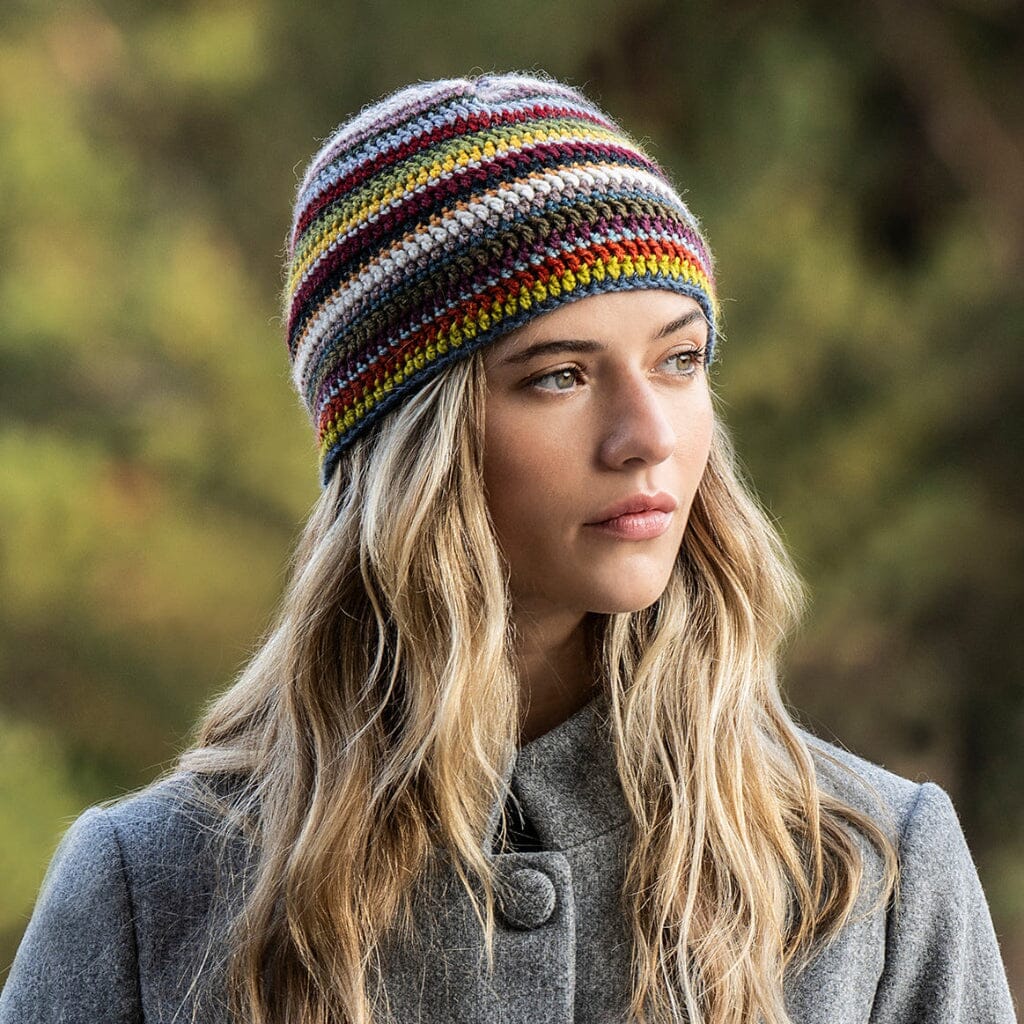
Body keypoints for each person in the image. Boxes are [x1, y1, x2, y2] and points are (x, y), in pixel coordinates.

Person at [0, 71, 1016, 1024]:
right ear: (411, 446)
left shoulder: (867, 866)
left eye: (678, 359)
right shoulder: (153, 886)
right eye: (559, 376)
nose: (648, 435)